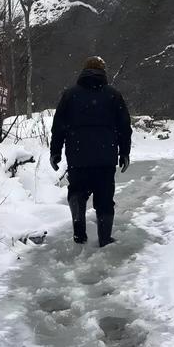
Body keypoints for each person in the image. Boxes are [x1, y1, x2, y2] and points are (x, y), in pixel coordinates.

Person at [50, 56, 132, 247]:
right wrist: (124, 152)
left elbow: (58, 127)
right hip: (105, 157)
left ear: (84, 71)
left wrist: (55, 152)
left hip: (78, 155)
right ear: (103, 72)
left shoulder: (70, 95)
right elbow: (124, 127)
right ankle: (105, 238)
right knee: (105, 199)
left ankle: (79, 229)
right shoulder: (113, 95)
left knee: (77, 191)